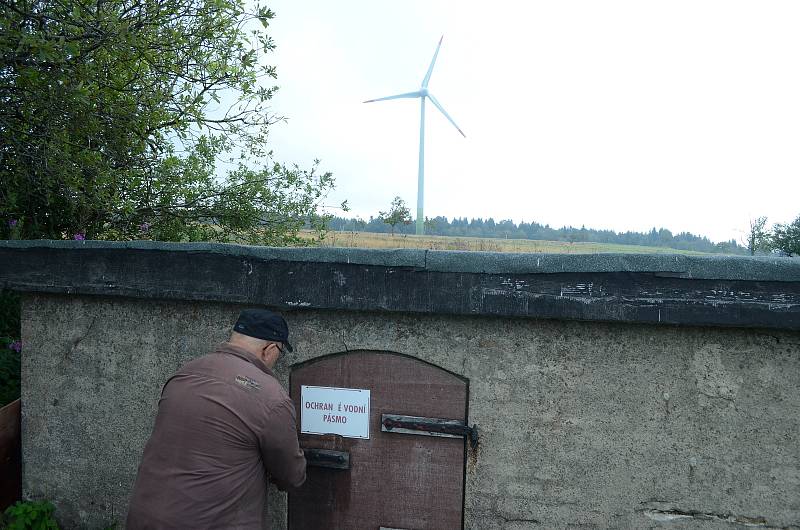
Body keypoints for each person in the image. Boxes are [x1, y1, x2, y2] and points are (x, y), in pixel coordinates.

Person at [127, 309, 307, 529]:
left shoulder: (184, 373)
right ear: (269, 349)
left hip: (144, 518)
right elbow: (291, 475)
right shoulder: (271, 397)